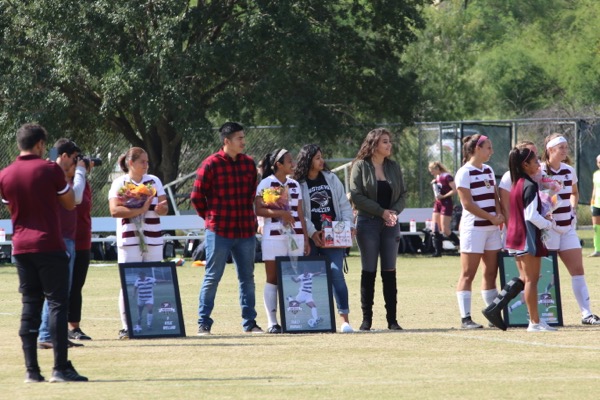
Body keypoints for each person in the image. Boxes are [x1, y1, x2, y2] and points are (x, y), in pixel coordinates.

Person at [0, 123, 87, 382]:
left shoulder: (5, 174)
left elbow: (10, 206)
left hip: (21, 248)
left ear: (19, 144)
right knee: (58, 304)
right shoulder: (50, 169)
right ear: (39, 144)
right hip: (49, 244)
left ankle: (31, 371)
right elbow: (70, 202)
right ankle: (60, 368)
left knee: (30, 307)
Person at [190, 122, 263, 334]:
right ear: (226, 141)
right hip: (219, 230)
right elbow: (196, 197)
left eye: (243, 137)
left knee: (247, 278)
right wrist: (211, 217)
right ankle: (203, 322)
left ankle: (250, 323)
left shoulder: (249, 164)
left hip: (245, 231)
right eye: (239, 138)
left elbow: (251, 194)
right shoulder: (210, 165)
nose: (243, 142)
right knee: (212, 277)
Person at [482, 146, 557, 332]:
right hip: (526, 236)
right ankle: (535, 322)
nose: (539, 164)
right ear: (525, 164)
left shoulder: (517, 184)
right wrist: (548, 224)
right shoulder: (529, 185)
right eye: (535, 161)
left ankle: (495, 308)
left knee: (525, 278)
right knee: (532, 279)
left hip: (514, 236)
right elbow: (531, 215)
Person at [108, 147, 169, 339]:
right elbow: (114, 211)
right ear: (131, 163)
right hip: (129, 239)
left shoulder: (154, 181)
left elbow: (164, 207)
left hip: (153, 238)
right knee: (128, 282)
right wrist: (139, 209)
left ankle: (154, 325)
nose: (146, 165)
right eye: (142, 161)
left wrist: (161, 208)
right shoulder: (120, 182)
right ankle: (128, 327)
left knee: (151, 284)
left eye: (147, 161)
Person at [349, 128, 406, 331]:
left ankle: (392, 320)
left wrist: (393, 213)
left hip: (391, 224)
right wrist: (382, 212)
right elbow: (356, 195)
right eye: (384, 142)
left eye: (389, 141)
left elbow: (403, 195)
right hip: (368, 223)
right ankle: (367, 320)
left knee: (389, 271)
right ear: (373, 144)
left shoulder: (394, 167)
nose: (389, 145)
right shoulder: (360, 166)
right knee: (369, 270)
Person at [541, 134, 600, 325]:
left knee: (578, 270)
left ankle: (587, 314)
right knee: (545, 273)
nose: (566, 150)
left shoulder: (568, 170)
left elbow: (574, 192)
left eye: (566, 147)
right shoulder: (540, 170)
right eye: (562, 147)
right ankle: (543, 314)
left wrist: (573, 207)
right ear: (550, 150)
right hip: (548, 228)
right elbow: (539, 199)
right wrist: (549, 208)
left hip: (567, 227)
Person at [295, 144, 355, 333]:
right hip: (310, 238)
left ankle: (344, 319)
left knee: (336, 272)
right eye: (317, 158)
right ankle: (315, 320)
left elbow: (343, 205)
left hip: (333, 235)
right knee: (309, 279)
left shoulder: (331, 178)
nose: (322, 161)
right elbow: (299, 212)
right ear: (308, 160)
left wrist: (348, 226)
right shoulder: (298, 183)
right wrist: (313, 232)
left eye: (322, 157)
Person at [37, 139, 87, 350]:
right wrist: (82, 172)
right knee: (57, 291)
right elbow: (76, 197)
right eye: (75, 158)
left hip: (65, 237)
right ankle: (47, 335)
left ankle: (52, 334)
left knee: (60, 292)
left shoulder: (54, 173)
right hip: (59, 238)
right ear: (64, 156)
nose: (77, 163)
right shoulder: (54, 172)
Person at [255, 149, 310, 334]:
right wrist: (281, 214)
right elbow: (259, 210)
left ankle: (294, 319)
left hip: (296, 238)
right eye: (289, 161)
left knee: (293, 278)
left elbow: (300, 213)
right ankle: (272, 322)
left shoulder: (295, 184)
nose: (292, 163)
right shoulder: (266, 183)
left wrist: (306, 239)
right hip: (273, 237)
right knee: (273, 279)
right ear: (278, 164)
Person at [454, 134, 504, 329]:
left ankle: (492, 314)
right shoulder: (464, 172)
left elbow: (495, 195)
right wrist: (491, 217)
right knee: (468, 273)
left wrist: (498, 215)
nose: (491, 151)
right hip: (473, 229)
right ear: (477, 149)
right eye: (488, 148)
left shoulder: (489, 170)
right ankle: (466, 318)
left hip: (492, 229)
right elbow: (467, 204)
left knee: (491, 272)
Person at [69, 159, 94, 341]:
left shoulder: (84, 183)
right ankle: (50, 327)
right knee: (60, 287)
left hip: (82, 240)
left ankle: (74, 327)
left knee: (77, 286)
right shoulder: (58, 181)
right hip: (63, 240)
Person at [428, 161, 459, 257]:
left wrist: (444, 196)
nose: (431, 173)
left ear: (437, 169)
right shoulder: (436, 178)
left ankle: (459, 244)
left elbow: (455, 190)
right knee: (435, 227)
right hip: (438, 203)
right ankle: (438, 251)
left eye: (432, 171)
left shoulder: (447, 176)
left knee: (445, 229)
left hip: (446, 203)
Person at [589, 154, 600, 257]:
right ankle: (597, 250)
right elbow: (595, 189)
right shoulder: (596, 174)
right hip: (597, 204)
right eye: (599, 162)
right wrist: (592, 202)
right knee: (596, 228)